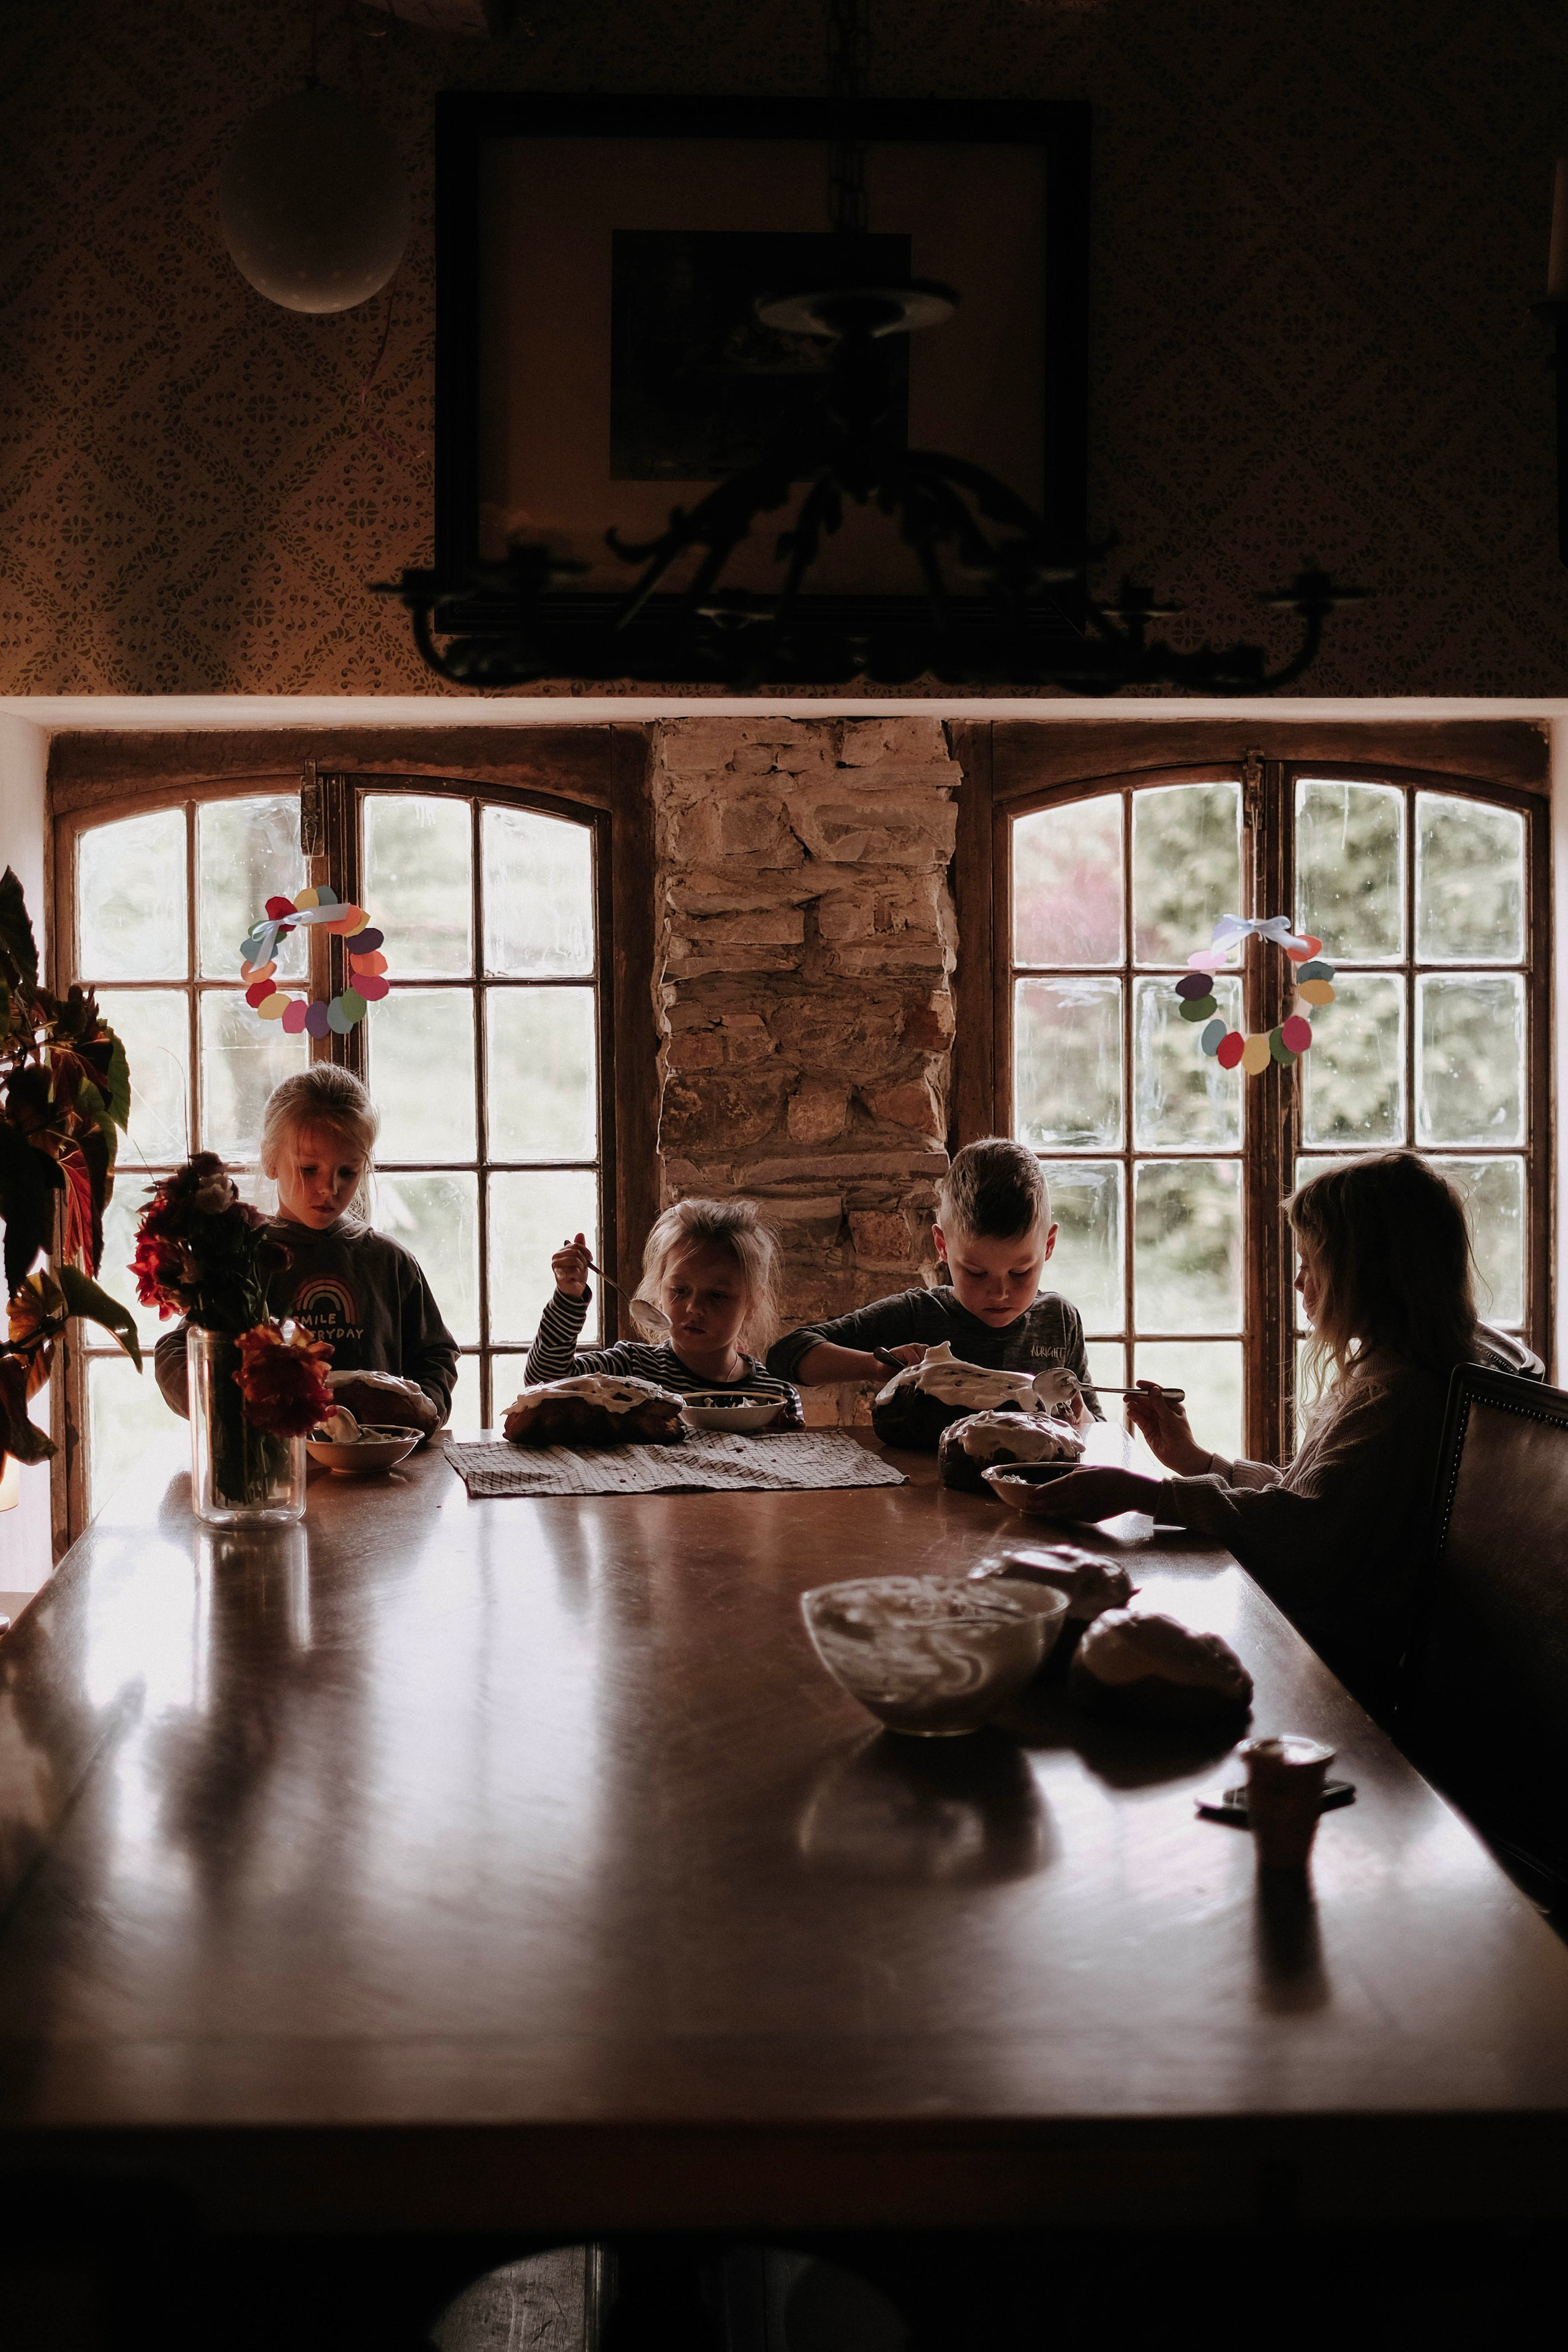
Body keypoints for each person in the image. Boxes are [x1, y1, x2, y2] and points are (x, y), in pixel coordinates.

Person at [1019, 1150, 1485, 1724]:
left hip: (1333, 1670)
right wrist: (1198, 1461)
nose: (1296, 1281)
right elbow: (1306, 1499)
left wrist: (1147, 1495)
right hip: (1311, 1635)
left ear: (1369, 1273)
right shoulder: (1384, 1375)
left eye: (1311, 1264)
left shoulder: (1399, 1400)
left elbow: (1304, 1534)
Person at [154, 1066, 457, 1435]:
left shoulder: (388, 1262)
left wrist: (422, 1409)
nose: (329, 1188)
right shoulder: (242, 1258)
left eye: (348, 1172)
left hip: (376, 1471)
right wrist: (228, 1405)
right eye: (309, 1169)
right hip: (275, 1473)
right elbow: (179, 1349)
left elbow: (435, 1355)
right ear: (270, 1160)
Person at [766, 1136, 1097, 1416]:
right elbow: (786, 1355)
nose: (999, 1292)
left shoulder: (1059, 1322)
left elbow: (1097, 1424)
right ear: (942, 1246)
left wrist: (1083, 1424)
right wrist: (875, 1366)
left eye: (1020, 1272)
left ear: (1049, 1245)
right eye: (976, 1272)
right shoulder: (917, 1316)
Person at [527, 1197, 804, 1425]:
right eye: (679, 1290)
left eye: (717, 1296)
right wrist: (568, 1297)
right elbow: (544, 1379)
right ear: (659, 1289)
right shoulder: (630, 1369)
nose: (694, 1307)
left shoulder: (775, 1396)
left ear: (754, 1301)